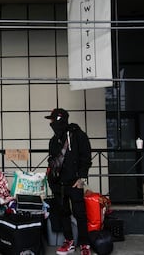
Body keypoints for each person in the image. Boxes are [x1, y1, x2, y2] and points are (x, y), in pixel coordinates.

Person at [45, 108, 92, 255]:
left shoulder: (78, 135)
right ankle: (69, 241)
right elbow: (52, 160)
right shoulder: (53, 140)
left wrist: (82, 179)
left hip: (74, 182)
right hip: (58, 184)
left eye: (52, 120)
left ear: (59, 119)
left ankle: (85, 244)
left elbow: (86, 157)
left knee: (80, 213)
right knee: (63, 212)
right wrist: (52, 180)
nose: (51, 123)